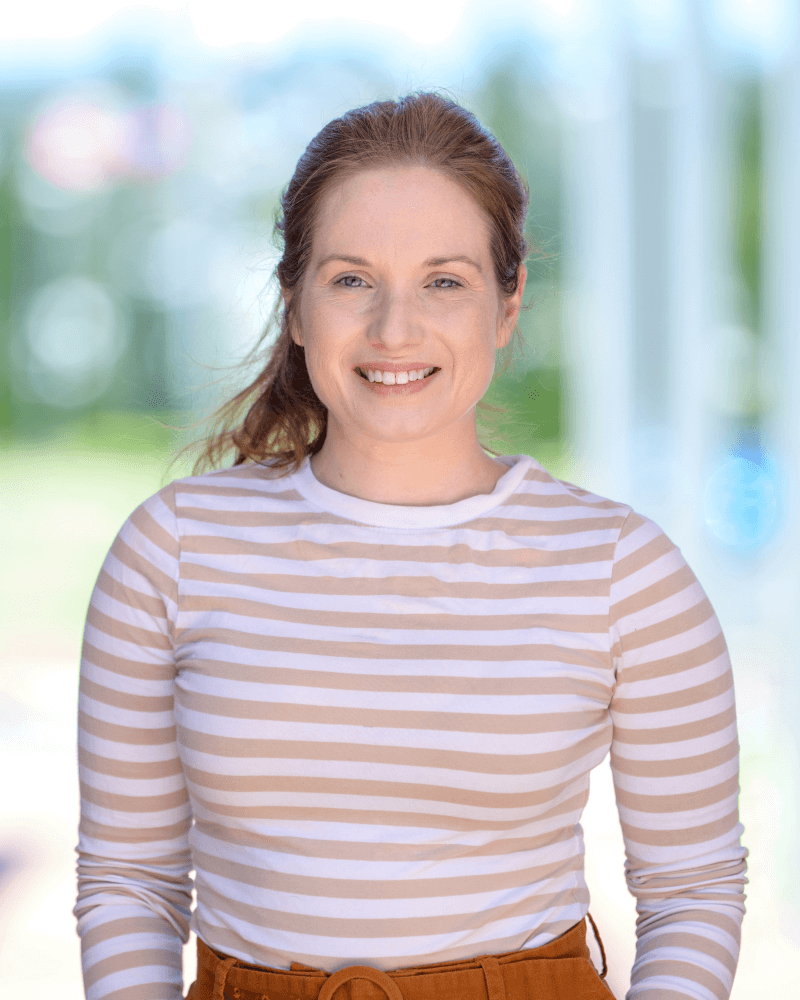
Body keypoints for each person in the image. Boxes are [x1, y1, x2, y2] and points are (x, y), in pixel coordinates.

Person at [74, 91, 748, 1000]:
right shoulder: (172, 551)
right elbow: (130, 883)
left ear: (507, 307)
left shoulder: (625, 572)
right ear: (296, 306)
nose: (395, 329)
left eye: (444, 281)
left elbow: (694, 894)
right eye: (352, 279)